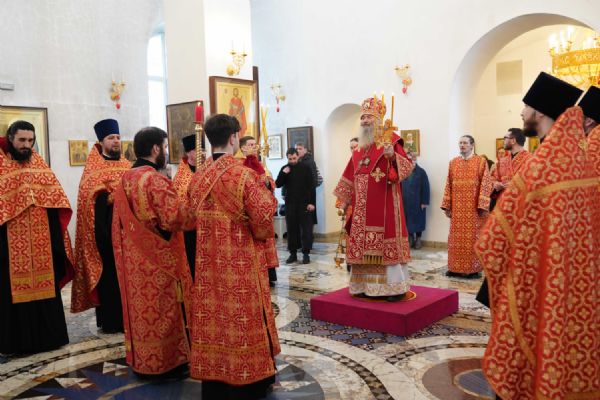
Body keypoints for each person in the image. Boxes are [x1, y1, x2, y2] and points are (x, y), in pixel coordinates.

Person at [475, 72, 598, 400]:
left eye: (525, 107)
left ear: (539, 112)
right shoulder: (581, 161)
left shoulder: (541, 166)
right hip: (575, 278)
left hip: (535, 276)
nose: (521, 113)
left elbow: (494, 241)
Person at [187, 114, 280, 400]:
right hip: (241, 262)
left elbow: (188, 217)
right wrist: (269, 193)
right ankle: (250, 378)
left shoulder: (198, 177)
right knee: (242, 316)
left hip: (207, 264)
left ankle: (215, 378)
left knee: (214, 317)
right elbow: (264, 216)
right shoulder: (243, 175)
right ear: (233, 138)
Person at [112, 127, 193, 377]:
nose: (166, 152)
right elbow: (175, 219)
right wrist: (195, 204)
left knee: (143, 313)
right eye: (165, 147)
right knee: (164, 310)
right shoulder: (154, 180)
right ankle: (168, 364)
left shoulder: (125, 178)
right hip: (160, 260)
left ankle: (145, 361)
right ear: (156, 148)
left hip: (134, 261)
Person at [0, 120, 74, 354]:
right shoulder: (1, 165)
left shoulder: (38, 163)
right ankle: (17, 343)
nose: (26, 145)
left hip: (42, 243)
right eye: (21, 140)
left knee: (46, 287)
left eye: (30, 140)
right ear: (10, 138)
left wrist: (55, 240)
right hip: (9, 246)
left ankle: (49, 338)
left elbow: (55, 200)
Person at [333, 97, 414, 301]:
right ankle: (364, 286)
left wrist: (392, 156)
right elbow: (350, 175)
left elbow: (406, 169)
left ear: (379, 119)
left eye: (369, 117)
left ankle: (393, 289)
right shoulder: (359, 148)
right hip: (361, 209)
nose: (365, 121)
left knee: (385, 245)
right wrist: (344, 200)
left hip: (385, 205)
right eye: (363, 118)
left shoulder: (391, 141)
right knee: (362, 245)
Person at [71, 119, 131, 333]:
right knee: (109, 280)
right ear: (101, 142)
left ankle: (130, 320)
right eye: (111, 138)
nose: (116, 141)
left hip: (128, 234)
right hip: (105, 234)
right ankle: (111, 322)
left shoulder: (127, 166)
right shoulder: (93, 170)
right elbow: (88, 201)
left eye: (118, 137)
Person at [441, 135, 492, 278]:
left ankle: (473, 269)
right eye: (460, 143)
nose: (462, 145)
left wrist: (482, 205)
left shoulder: (480, 162)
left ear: (472, 145)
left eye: (465, 143)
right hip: (457, 210)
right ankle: (454, 268)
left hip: (473, 210)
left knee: (473, 239)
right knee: (455, 239)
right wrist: (447, 205)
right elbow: (448, 184)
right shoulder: (453, 163)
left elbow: (486, 184)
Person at [238, 133, 279, 286]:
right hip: (248, 213)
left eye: (255, 145)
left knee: (266, 243)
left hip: (263, 212)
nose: (254, 147)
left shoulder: (262, 164)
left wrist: (267, 182)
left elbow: (271, 183)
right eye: (250, 145)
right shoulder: (239, 165)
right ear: (242, 148)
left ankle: (269, 274)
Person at [276, 148, 316, 264]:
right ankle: (292, 254)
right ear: (287, 158)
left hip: (305, 203)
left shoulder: (305, 167)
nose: (292, 161)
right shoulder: (285, 168)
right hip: (290, 204)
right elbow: (277, 184)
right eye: (290, 159)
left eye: (294, 158)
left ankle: (306, 254)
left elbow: (311, 186)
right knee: (291, 229)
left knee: (306, 230)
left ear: (298, 156)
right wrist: (284, 173)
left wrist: (312, 203)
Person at [173, 133, 197, 279]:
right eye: (196, 150)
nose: (202, 153)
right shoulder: (181, 177)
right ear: (188, 153)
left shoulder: (208, 169)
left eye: (203, 149)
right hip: (190, 229)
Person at [488, 128, 531, 212]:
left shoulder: (530, 159)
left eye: (505, 138)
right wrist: (496, 184)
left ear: (513, 141)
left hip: (521, 205)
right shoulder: (502, 161)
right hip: (503, 204)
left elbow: (534, 183)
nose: (503, 141)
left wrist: (515, 185)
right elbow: (493, 178)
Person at [401, 151, 430, 250]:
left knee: (418, 221)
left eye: (412, 158)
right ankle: (410, 238)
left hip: (418, 202)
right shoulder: (403, 172)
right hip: (406, 202)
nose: (411, 160)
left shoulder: (421, 172)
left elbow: (426, 187)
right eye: (408, 158)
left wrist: (424, 202)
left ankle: (418, 239)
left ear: (415, 159)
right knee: (407, 221)